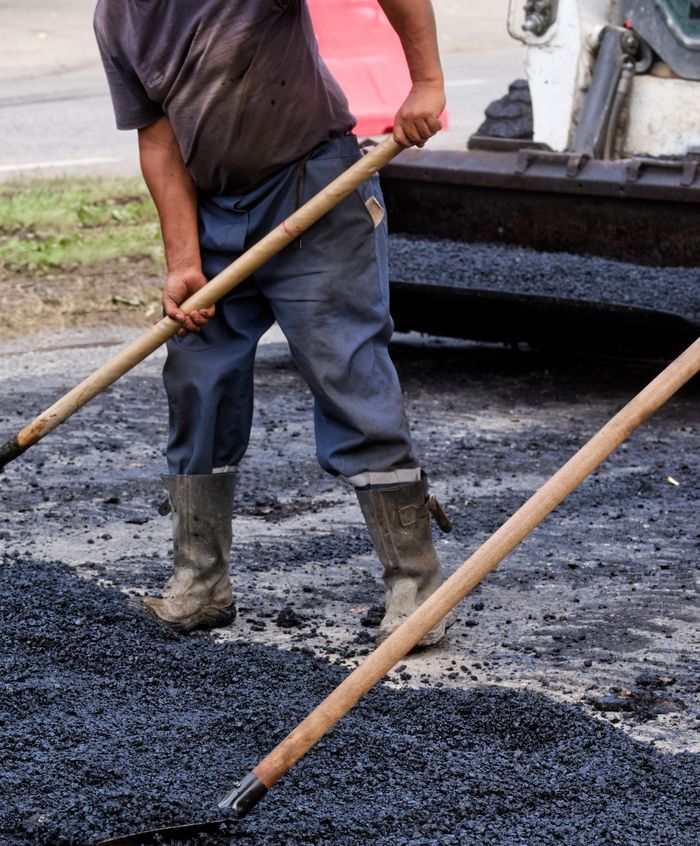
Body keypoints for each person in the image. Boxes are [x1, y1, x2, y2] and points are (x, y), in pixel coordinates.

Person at [92, 0, 453, 646]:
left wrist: (425, 84)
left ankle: (415, 586)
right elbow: (157, 137)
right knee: (198, 377)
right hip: (218, 214)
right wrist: (183, 261)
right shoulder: (118, 17)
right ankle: (201, 583)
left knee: (347, 371)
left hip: (314, 191)